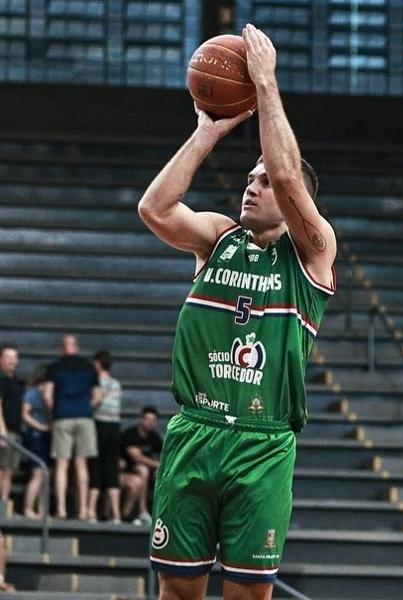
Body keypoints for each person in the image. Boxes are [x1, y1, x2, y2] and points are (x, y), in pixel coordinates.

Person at [137, 24, 337, 600]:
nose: (252, 186)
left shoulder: (313, 252)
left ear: (299, 201)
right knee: (177, 591)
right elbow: (155, 208)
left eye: (262, 182)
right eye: (246, 179)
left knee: (248, 595)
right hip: (195, 432)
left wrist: (266, 84)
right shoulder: (217, 239)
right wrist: (206, 132)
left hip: (262, 441)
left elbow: (283, 173)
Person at [44, 334, 101, 520]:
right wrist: (87, 407)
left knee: (61, 464)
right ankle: (83, 510)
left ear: (62, 348)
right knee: (82, 465)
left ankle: (61, 509)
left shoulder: (54, 368)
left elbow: (47, 396)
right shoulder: (89, 367)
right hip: (84, 417)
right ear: (77, 347)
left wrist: (56, 411)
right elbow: (98, 396)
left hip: (63, 417)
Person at [87, 350, 122, 523]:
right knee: (111, 470)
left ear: (98, 364)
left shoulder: (96, 382)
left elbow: (96, 401)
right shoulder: (116, 384)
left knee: (95, 467)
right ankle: (116, 514)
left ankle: (91, 511)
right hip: (114, 426)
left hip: (99, 424)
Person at [119, 406, 163, 525]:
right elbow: (137, 458)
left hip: (145, 473)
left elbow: (165, 453)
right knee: (143, 470)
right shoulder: (131, 434)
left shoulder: (154, 437)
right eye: (147, 419)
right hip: (125, 471)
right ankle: (142, 511)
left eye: (153, 420)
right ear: (141, 419)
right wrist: (158, 464)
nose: (150, 423)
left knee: (151, 472)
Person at [22, 364, 51, 519]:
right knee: (37, 472)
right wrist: (40, 426)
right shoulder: (33, 392)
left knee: (46, 474)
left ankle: (42, 509)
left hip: (47, 437)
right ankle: (28, 508)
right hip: (34, 436)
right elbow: (25, 414)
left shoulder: (52, 393)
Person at [0, 344, 25, 505]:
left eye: (14, 357)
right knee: (1, 470)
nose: (12, 361)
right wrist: (2, 432)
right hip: (5, 431)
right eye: (8, 357)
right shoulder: (1, 380)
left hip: (15, 431)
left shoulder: (15, 381)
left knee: (8, 470)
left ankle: (4, 502)